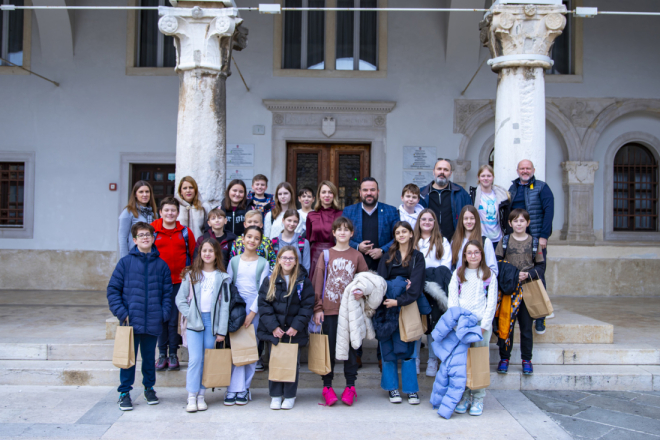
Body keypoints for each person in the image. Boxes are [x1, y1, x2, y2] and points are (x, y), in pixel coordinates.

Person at [107, 222, 172, 411]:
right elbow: (113, 290)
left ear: (153, 238)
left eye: (149, 234)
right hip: (131, 322)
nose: (145, 237)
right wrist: (122, 313)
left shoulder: (161, 265)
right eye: (141, 235)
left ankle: (149, 388)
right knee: (128, 359)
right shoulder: (125, 263)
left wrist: (163, 314)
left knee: (149, 359)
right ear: (134, 240)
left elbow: (168, 294)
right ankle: (124, 392)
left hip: (153, 320)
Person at [312, 217, 369, 407]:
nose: (343, 232)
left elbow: (365, 281)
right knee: (329, 349)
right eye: (339, 229)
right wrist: (318, 308)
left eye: (347, 229)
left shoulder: (357, 256)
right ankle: (327, 387)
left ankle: (350, 387)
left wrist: (363, 291)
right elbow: (318, 283)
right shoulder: (326, 255)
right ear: (334, 233)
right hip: (329, 310)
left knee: (352, 349)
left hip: (351, 312)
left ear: (352, 233)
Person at [176, 238, 233, 413]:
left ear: (217, 254)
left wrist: (221, 331)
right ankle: (191, 396)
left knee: (207, 360)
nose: (207, 254)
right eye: (204, 250)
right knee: (195, 359)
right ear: (200, 253)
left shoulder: (223, 277)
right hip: (194, 322)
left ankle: (202, 395)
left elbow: (225, 305)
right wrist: (190, 315)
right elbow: (180, 299)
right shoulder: (191, 274)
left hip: (212, 323)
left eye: (211, 251)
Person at [258, 246, 315, 410]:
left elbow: (307, 306)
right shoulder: (270, 280)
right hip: (275, 330)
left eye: (291, 258)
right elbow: (264, 305)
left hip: (293, 331)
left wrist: (296, 326)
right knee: (275, 361)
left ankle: (289, 395)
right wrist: (274, 327)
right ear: (279, 260)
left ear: (296, 261)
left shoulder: (303, 281)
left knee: (292, 363)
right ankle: (275, 395)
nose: (287, 261)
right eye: (284, 258)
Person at [376, 221, 425, 405]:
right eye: (398, 232)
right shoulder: (388, 256)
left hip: (408, 306)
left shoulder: (418, 257)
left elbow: (417, 284)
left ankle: (411, 390)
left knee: (408, 350)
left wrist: (401, 300)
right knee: (388, 350)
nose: (401, 235)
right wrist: (391, 299)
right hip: (387, 306)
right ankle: (392, 388)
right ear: (395, 236)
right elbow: (380, 281)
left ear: (411, 234)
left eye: (405, 231)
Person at [448, 239, 498, 416]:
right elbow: (452, 299)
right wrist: (456, 323)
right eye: (469, 253)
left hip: (480, 325)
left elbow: (491, 302)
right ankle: (464, 395)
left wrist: (484, 325)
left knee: (478, 360)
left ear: (482, 255)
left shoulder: (488, 274)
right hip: (462, 325)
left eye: (477, 252)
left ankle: (478, 397)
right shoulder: (459, 273)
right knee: (463, 361)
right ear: (464, 255)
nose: (473, 255)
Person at [495, 209, 546, 375]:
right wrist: (512, 274)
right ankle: (504, 358)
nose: (518, 224)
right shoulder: (505, 240)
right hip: (509, 290)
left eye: (522, 221)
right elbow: (497, 263)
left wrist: (528, 274)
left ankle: (526, 359)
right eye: (515, 221)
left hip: (527, 289)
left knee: (526, 326)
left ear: (528, 223)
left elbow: (541, 266)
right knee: (506, 325)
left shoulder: (534, 242)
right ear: (510, 223)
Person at [225, 226, 271, 406]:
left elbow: (263, 289)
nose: (252, 240)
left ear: (260, 242)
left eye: (256, 238)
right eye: (249, 237)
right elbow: (229, 285)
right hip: (237, 307)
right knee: (236, 349)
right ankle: (232, 389)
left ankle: (244, 388)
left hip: (255, 308)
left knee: (251, 349)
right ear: (243, 239)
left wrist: (252, 313)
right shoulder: (234, 261)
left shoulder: (263, 263)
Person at [508, 159, 555, 331]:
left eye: (528, 168)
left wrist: (543, 236)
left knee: (537, 275)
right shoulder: (512, 188)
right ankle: (517, 312)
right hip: (515, 240)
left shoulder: (542, 187)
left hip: (536, 240)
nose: (525, 171)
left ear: (533, 170)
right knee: (516, 276)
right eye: (522, 168)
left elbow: (549, 212)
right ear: (517, 170)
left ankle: (540, 316)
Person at [151, 197, 196, 372]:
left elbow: (193, 255)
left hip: (179, 282)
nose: (170, 213)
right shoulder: (153, 230)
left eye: (173, 210)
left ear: (178, 213)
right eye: (166, 210)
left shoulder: (185, 232)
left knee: (174, 319)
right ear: (160, 212)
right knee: (161, 318)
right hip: (159, 282)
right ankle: (161, 353)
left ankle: (173, 354)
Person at [413, 208, 451, 376]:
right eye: (423, 219)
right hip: (416, 287)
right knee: (415, 322)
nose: (427, 222)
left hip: (435, 287)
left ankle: (432, 359)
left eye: (430, 219)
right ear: (419, 222)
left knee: (433, 323)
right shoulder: (412, 241)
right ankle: (414, 359)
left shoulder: (442, 241)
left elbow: (445, 267)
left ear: (434, 222)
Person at [342, 177, 400, 272]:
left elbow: (399, 237)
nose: (369, 193)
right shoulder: (349, 211)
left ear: (378, 191)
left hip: (384, 266)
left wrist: (382, 250)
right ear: (360, 192)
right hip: (355, 267)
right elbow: (339, 237)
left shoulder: (391, 211)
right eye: (365, 190)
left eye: (372, 190)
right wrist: (357, 246)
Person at [420, 159, 472, 240]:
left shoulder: (460, 192)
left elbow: (471, 215)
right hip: (428, 241)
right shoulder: (422, 193)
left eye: (446, 170)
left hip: (454, 241)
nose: (442, 172)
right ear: (434, 172)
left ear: (450, 174)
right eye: (439, 169)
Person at [306, 180, 343, 279]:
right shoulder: (311, 215)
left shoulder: (341, 214)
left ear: (334, 195)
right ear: (319, 196)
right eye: (324, 192)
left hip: (336, 253)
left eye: (330, 192)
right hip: (315, 256)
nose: (327, 195)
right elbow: (308, 240)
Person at [469, 165, 511, 251]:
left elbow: (506, 217)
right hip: (480, 239)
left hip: (498, 240)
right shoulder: (473, 195)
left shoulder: (501, 195)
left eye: (489, 176)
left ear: (493, 177)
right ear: (478, 177)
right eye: (483, 176)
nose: (486, 178)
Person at [450, 205, 498, 276]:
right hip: (460, 283)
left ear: (476, 220)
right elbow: (451, 269)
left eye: (472, 218)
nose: (469, 221)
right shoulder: (454, 242)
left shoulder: (485, 242)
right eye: (466, 218)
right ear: (461, 221)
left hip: (479, 283)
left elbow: (493, 270)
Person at [118, 180, 158, 258]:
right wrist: (125, 259)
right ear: (135, 194)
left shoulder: (153, 213)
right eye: (141, 192)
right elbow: (122, 237)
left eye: (147, 192)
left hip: (151, 255)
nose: (145, 194)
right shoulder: (128, 212)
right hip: (134, 255)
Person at [175, 176, 211, 240]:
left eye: (191, 187)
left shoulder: (204, 207)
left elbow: (209, 229)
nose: (188, 190)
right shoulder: (175, 206)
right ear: (181, 191)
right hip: (179, 247)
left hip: (199, 246)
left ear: (195, 189)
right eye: (185, 188)